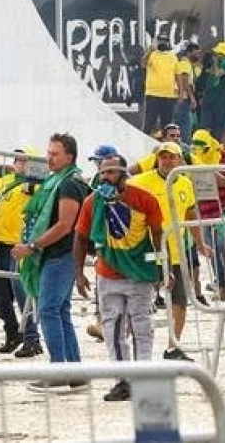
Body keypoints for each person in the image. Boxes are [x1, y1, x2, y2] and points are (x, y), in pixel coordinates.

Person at [74, 155, 163, 401]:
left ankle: (142, 379)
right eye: (103, 173)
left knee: (141, 327)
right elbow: (80, 237)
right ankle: (122, 381)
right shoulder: (93, 202)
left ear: (124, 173)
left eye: (111, 172)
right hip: (107, 273)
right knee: (113, 329)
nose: (106, 178)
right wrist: (79, 273)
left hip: (139, 273)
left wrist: (163, 269)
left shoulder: (144, 199)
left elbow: (157, 235)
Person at [15, 133, 91, 388]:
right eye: (48, 152)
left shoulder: (68, 184)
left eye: (55, 153)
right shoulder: (65, 180)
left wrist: (32, 246)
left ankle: (59, 370)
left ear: (69, 157)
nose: (49, 157)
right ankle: (75, 371)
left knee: (48, 310)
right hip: (64, 255)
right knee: (60, 311)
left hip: (60, 254)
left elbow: (64, 225)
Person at [128, 141, 212, 361]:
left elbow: (191, 217)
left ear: (179, 160)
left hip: (176, 252)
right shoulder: (140, 182)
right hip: (148, 249)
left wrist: (201, 244)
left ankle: (173, 346)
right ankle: (128, 340)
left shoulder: (185, 183)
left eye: (171, 157)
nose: (167, 161)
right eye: (163, 157)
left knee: (180, 300)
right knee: (140, 297)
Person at [0, 149, 43, 358]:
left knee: (22, 292)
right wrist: (2, 167)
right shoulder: (5, 181)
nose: (20, 164)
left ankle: (32, 339)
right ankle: (12, 332)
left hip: (18, 246)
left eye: (24, 160)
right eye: (17, 160)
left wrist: (34, 172)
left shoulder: (34, 185)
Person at [189, 129, 225, 301]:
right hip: (203, 211)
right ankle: (221, 282)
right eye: (195, 145)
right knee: (210, 249)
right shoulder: (192, 160)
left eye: (202, 146)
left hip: (224, 208)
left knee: (221, 245)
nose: (198, 149)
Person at [200, 41, 225, 144]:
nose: (215, 55)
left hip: (222, 101)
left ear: (223, 54)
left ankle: (218, 147)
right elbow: (211, 75)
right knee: (206, 126)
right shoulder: (217, 63)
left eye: (217, 54)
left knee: (220, 128)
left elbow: (218, 74)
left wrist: (216, 62)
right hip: (210, 100)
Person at [142, 34, 179, 138]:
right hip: (153, 94)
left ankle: (166, 147)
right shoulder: (152, 54)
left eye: (165, 41)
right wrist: (149, 51)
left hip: (169, 95)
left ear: (168, 43)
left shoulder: (173, 56)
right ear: (156, 42)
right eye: (160, 41)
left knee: (167, 125)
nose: (163, 43)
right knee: (149, 123)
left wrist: (180, 91)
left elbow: (177, 75)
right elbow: (143, 64)